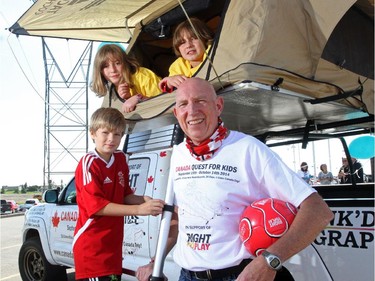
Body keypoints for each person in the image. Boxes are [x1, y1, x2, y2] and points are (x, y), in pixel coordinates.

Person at [136, 78, 333, 281]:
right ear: (177, 113)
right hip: (188, 276)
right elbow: (179, 218)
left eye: (200, 101)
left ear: (218, 105)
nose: (192, 110)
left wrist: (270, 261)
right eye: (183, 104)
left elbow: (318, 211)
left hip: (239, 275)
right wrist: (154, 262)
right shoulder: (178, 154)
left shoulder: (248, 148)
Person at [73, 107, 165, 281]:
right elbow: (97, 207)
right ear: (92, 134)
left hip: (112, 249)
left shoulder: (121, 159)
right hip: (93, 250)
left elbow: (124, 195)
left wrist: (145, 200)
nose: (111, 139)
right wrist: (139, 210)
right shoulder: (88, 163)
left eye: (117, 134)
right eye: (105, 133)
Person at [91, 44, 162, 113]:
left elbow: (165, 102)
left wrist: (139, 98)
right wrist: (128, 98)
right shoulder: (108, 90)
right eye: (106, 66)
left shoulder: (143, 76)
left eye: (117, 63)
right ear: (100, 71)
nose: (113, 70)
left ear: (126, 63)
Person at [159, 18, 214, 92]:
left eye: (194, 38)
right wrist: (169, 82)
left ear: (205, 39)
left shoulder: (213, 54)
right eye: (182, 42)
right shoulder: (179, 65)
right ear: (178, 48)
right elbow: (167, 90)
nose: (189, 45)